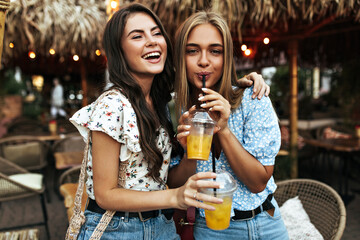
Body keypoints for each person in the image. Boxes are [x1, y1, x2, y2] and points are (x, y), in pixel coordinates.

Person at [66, 4, 224, 240]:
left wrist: (251, 81)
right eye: (137, 36)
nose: (152, 41)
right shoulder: (112, 106)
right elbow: (105, 194)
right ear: (119, 51)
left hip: (162, 226)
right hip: (117, 230)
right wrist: (175, 197)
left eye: (156, 33)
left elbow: (161, 180)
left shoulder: (159, 103)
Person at [168, 11, 289, 240]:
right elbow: (175, 184)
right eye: (192, 50)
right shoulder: (176, 109)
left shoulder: (253, 100)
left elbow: (257, 183)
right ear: (180, 58)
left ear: (226, 58)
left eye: (215, 51)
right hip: (209, 229)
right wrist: (190, 153)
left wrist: (222, 129)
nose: (204, 60)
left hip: (262, 226)